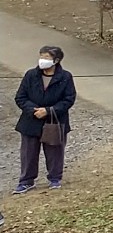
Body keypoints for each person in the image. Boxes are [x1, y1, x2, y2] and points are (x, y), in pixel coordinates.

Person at [15, 44, 76, 193]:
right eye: (41, 56)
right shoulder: (31, 75)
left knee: (55, 151)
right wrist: (33, 110)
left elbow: (69, 99)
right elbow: (20, 97)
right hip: (31, 120)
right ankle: (26, 181)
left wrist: (48, 111)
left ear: (56, 60)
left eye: (46, 57)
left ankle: (55, 178)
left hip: (54, 120)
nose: (42, 60)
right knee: (28, 153)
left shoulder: (65, 77)